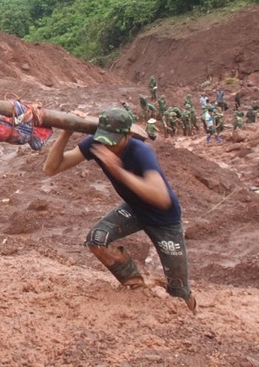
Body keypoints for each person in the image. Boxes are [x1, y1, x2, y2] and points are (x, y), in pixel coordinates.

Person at [42, 108, 196, 314]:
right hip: (134, 209)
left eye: (114, 141)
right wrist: (66, 133)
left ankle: (192, 317)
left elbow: (161, 197)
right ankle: (134, 283)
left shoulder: (141, 151)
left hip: (164, 218)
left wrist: (118, 171)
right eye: (104, 139)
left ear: (128, 135)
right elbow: (51, 169)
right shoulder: (97, 144)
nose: (107, 145)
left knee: (179, 290)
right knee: (97, 239)